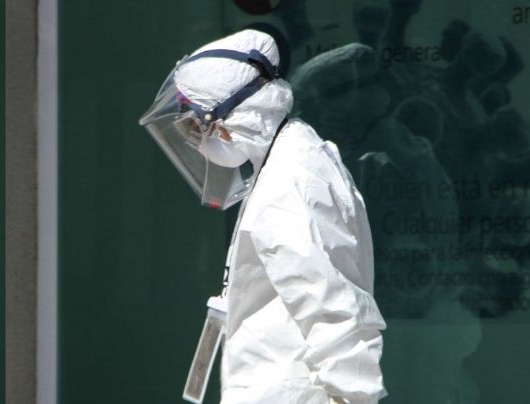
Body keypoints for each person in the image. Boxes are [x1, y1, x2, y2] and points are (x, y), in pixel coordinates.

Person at [139, 30, 387, 404]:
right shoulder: (282, 161)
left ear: (229, 117)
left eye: (195, 126)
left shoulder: (292, 177)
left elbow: (335, 309)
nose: (196, 141)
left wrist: (352, 397)